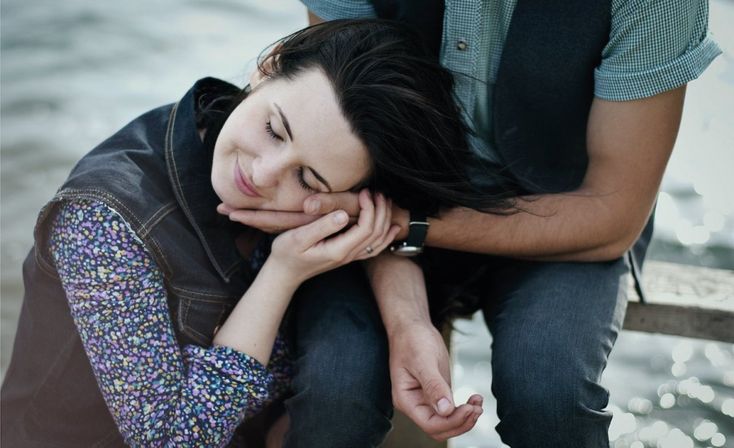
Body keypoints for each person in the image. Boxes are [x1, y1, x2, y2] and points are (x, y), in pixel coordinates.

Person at [222, 1, 723, 446]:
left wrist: (410, 226)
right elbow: (336, 148)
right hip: (377, 204)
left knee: (551, 393)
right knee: (337, 393)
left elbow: (611, 216)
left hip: (567, 217)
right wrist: (406, 317)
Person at [0, 19, 512, 447]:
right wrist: (281, 273)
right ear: (267, 69)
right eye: (274, 129)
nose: (263, 174)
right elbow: (174, 440)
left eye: (307, 178)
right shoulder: (107, 219)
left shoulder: (322, 220)